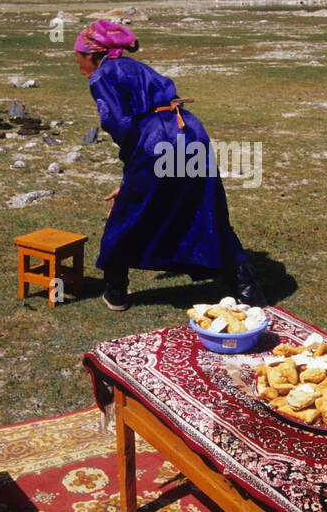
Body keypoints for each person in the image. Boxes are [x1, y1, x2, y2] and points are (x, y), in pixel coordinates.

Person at [73, 19, 266, 311]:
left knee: (126, 213)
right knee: (204, 210)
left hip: (156, 141)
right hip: (189, 132)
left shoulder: (101, 76)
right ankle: (248, 291)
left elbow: (121, 125)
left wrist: (129, 179)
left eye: (77, 56)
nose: (77, 63)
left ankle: (116, 292)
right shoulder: (135, 67)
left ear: (92, 54)